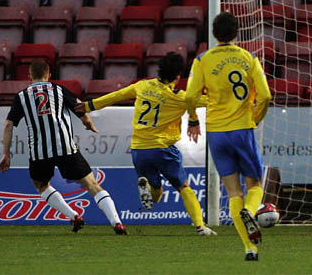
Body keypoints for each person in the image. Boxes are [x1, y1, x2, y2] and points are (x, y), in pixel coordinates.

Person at [74, 52, 217, 237]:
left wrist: (88, 106)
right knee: (183, 187)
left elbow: (116, 96)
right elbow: (212, 102)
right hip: (162, 148)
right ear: (178, 76)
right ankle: (200, 227)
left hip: (139, 149)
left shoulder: (142, 86)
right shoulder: (180, 97)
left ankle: (147, 187)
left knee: (156, 194)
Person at [0, 60, 127, 235]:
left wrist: (6, 154)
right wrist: (88, 124)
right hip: (66, 147)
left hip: (40, 152)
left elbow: (8, 125)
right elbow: (80, 110)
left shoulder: (22, 96)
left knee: (41, 185)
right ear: (49, 75)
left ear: (29, 76)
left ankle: (73, 216)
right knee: (92, 184)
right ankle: (116, 222)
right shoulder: (59, 90)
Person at [185, 12, 272, 261]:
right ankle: (250, 211)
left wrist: (192, 119)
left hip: (216, 133)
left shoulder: (202, 59)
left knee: (233, 192)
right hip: (242, 129)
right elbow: (265, 96)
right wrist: (255, 117)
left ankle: (250, 248)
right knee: (254, 184)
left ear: (214, 34)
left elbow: (190, 96)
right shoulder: (249, 58)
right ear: (237, 33)